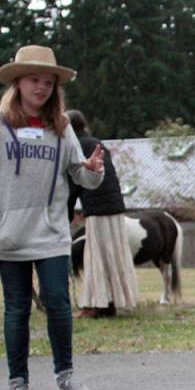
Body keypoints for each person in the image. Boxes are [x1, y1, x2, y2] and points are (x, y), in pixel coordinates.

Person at [0, 45, 104, 390]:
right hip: (8, 235)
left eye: (48, 82)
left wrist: (92, 170)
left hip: (51, 235)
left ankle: (66, 376)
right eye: (34, 80)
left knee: (59, 304)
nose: (41, 88)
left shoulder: (60, 127)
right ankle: (17, 385)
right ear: (17, 83)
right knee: (17, 309)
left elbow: (81, 174)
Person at [65, 109, 137, 318]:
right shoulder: (96, 143)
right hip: (114, 206)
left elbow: (75, 183)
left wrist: (67, 211)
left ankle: (95, 305)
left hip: (97, 209)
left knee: (96, 256)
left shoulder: (78, 146)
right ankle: (111, 301)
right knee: (114, 254)